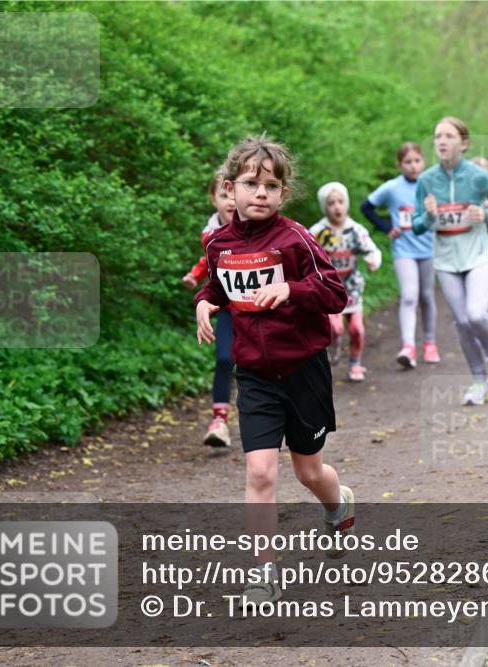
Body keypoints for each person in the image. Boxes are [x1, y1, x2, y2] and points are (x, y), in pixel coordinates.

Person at [194, 135, 354, 605]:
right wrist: (205, 302)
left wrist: (292, 291)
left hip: (303, 369)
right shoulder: (219, 242)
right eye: (250, 184)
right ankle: (264, 574)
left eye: (270, 185)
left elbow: (335, 294)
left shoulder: (297, 239)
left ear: (283, 194)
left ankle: (338, 503)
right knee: (261, 473)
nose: (259, 193)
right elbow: (219, 287)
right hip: (256, 375)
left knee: (308, 472)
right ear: (230, 188)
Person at [412, 116, 488, 407]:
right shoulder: (426, 180)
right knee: (461, 323)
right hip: (446, 261)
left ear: (464, 143)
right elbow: (418, 226)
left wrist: (486, 215)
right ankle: (478, 381)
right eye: (437, 136)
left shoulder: (477, 176)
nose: (442, 141)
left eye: (448, 136)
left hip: (477, 255)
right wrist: (429, 215)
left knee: (476, 315)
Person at [360, 143, 440, 369]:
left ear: (423, 161)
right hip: (404, 249)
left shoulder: (432, 185)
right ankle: (408, 346)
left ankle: (430, 343)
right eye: (408, 162)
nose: (413, 166)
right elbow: (366, 207)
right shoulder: (392, 188)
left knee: (426, 296)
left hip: (428, 249)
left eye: (417, 161)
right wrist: (386, 228)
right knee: (408, 296)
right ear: (399, 165)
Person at [182, 169, 237, 447]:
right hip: (228, 308)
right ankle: (219, 421)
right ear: (213, 199)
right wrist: (195, 275)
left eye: (233, 195)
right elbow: (209, 262)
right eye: (223, 195)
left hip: (262, 308)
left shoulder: (258, 226)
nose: (229, 201)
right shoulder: (211, 235)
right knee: (225, 359)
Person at [310, 183, 382, 382]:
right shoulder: (318, 231)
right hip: (329, 288)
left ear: (347, 204)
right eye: (331, 203)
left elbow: (372, 250)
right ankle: (334, 347)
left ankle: (355, 363)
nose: (337, 207)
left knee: (357, 329)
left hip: (351, 287)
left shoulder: (355, 230)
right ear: (325, 207)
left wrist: (373, 260)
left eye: (340, 202)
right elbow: (304, 253)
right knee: (336, 328)